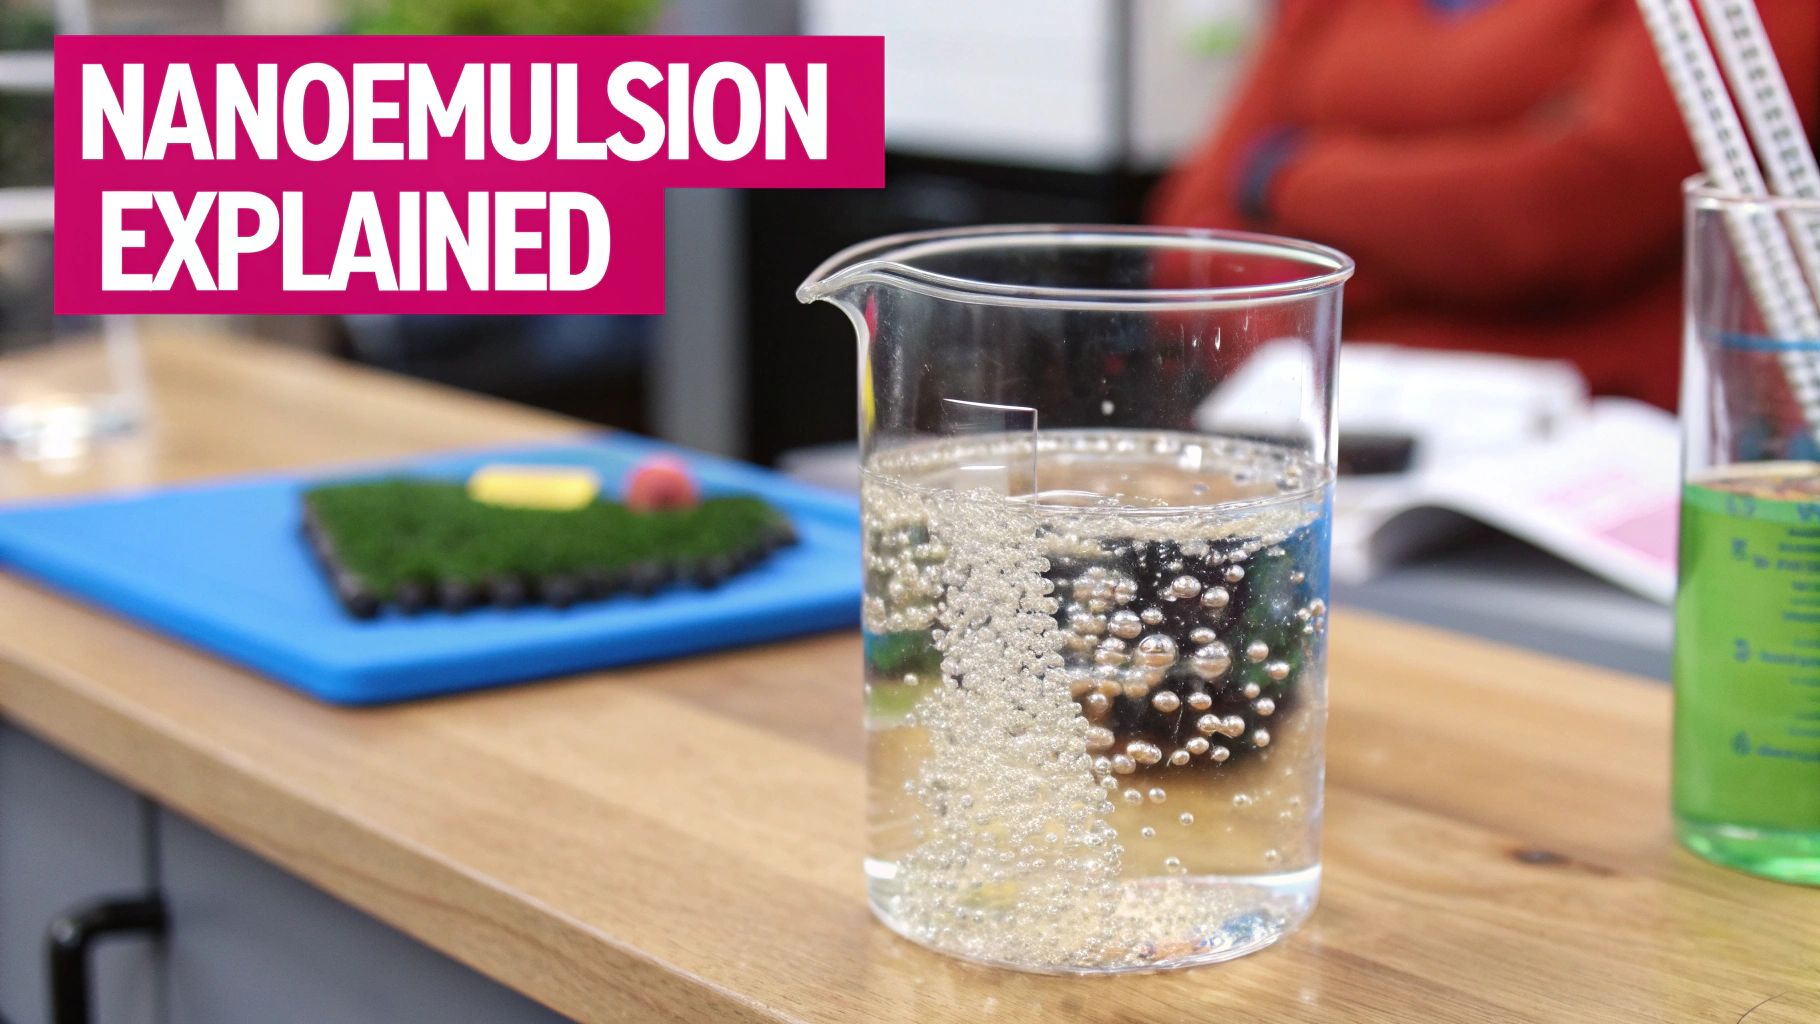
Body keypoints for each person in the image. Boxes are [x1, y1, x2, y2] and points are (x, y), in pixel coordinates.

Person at [1150, 0, 1820, 410]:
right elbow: (1193, 243)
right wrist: (1442, 238)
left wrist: (1285, 179)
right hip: (1322, 434)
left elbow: (1562, 215)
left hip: (1589, 447)